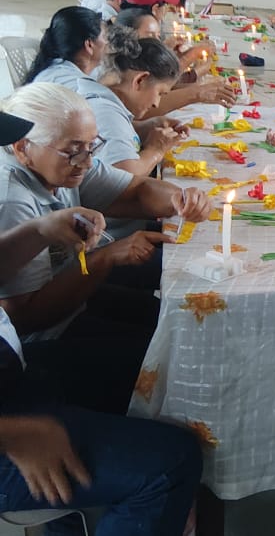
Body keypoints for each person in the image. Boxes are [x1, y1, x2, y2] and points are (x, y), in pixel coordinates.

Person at [0, 110, 202, 536]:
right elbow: (29, 312)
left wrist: (40, 230)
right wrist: (12, 432)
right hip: (9, 422)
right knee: (172, 460)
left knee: (167, 371)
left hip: (16, 374)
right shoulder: (10, 195)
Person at [0, 83, 211, 413]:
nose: (86, 161)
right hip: (42, 341)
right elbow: (26, 317)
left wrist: (179, 199)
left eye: (92, 146)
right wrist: (105, 258)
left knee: (177, 323)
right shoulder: (13, 200)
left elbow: (136, 191)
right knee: (171, 357)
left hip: (71, 300)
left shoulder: (64, 166)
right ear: (23, 148)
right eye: (74, 150)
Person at [79, 27, 186, 177]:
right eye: (160, 93)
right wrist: (156, 150)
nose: (156, 103)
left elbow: (114, 136)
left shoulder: (103, 101)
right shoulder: (106, 114)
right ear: (140, 80)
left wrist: (145, 127)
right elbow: (124, 178)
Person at [23, 7, 107, 88]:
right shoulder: (80, 87)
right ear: (89, 45)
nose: (108, 42)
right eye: (105, 37)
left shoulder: (53, 68)